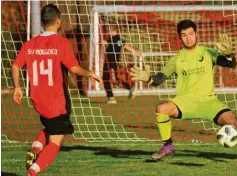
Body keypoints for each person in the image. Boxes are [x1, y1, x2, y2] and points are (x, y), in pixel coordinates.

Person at [130, 20, 237, 161]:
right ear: (180, 37)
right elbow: (159, 79)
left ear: (196, 34)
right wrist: (148, 78)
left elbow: (231, 64)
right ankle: (167, 147)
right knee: (162, 108)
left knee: (236, 124)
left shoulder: (208, 52)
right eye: (184, 35)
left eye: (191, 34)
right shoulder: (177, 59)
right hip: (185, 102)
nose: (188, 38)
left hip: (209, 102)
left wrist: (230, 54)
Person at [11, 4, 101, 176]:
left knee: (51, 128)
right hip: (57, 102)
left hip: (38, 100)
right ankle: (32, 171)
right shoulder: (61, 43)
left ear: (43, 22)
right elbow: (74, 69)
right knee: (55, 141)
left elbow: (15, 65)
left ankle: (36, 148)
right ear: (58, 21)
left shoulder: (29, 44)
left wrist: (17, 87)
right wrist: (89, 73)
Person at [103, 24, 143, 104]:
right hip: (111, 62)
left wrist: (103, 42)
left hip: (110, 62)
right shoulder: (119, 40)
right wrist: (136, 52)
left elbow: (107, 43)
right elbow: (127, 46)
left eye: (111, 30)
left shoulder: (113, 39)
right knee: (111, 79)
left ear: (114, 31)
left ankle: (112, 97)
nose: (109, 32)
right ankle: (128, 88)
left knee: (111, 80)